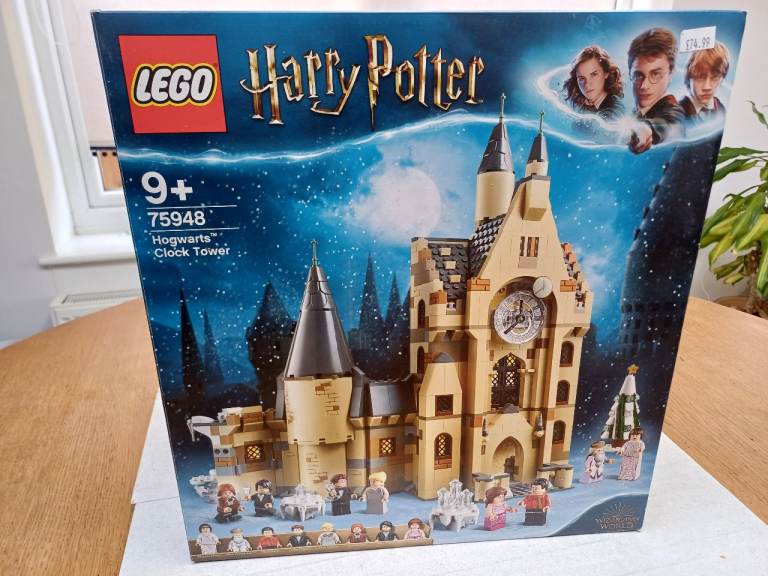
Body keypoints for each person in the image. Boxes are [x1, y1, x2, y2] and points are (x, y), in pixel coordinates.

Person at [626, 28, 685, 154]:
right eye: (638, 75)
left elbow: (672, 125)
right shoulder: (636, 113)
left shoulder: (673, 111)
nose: (644, 86)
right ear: (630, 72)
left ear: (671, 73)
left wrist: (647, 129)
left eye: (655, 74)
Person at [563, 45, 625, 121]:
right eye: (582, 78)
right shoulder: (585, 107)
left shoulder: (615, 111)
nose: (587, 84)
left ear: (606, 73)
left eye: (593, 75)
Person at [679, 43, 730, 123]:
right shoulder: (676, 113)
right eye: (700, 77)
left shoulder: (720, 109)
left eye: (715, 77)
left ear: (722, 79)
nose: (707, 87)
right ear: (689, 77)